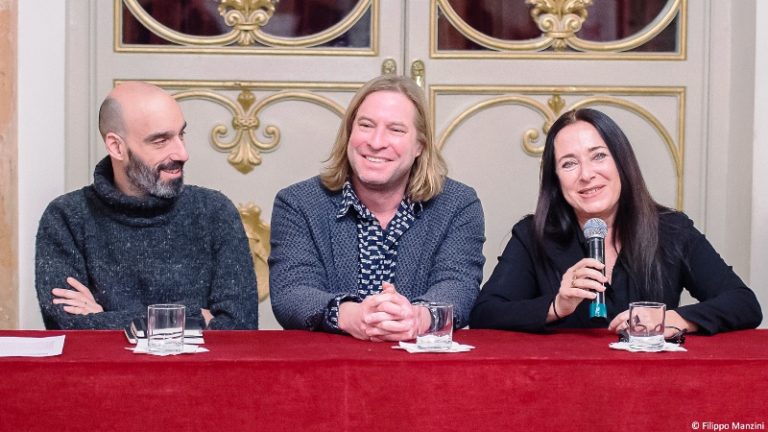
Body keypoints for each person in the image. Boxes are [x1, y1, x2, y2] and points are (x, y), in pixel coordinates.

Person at [470, 108, 762, 335]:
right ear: (556, 180)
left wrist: (672, 319)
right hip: (560, 388)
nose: (586, 174)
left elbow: (743, 303)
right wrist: (556, 306)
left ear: (621, 162)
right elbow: (485, 314)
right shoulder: (533, 236)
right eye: (569, 164)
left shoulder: (672, 230)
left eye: (598, 156)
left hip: (655, 385)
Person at [269, 75, 485, 341]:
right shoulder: (298, 203)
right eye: (366, 125)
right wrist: (352, 317)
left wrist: (416, 318)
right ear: (350, 132)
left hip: (425, 369)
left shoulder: (458, 204)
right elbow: (292, 292)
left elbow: (458, 286)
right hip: (329, 369)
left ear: (420, 145)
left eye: (396, 130)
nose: (376, 141)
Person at [35, 81, 258, 330]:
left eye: (181, 134)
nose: (182, 153)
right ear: (116, 147)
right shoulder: (67, 218)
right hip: (104, 371)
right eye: (161, 141)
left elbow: (240, 327)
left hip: (200, 371)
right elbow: (67, 325)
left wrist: (102, 318)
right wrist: (197, 318)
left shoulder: (214, 211)